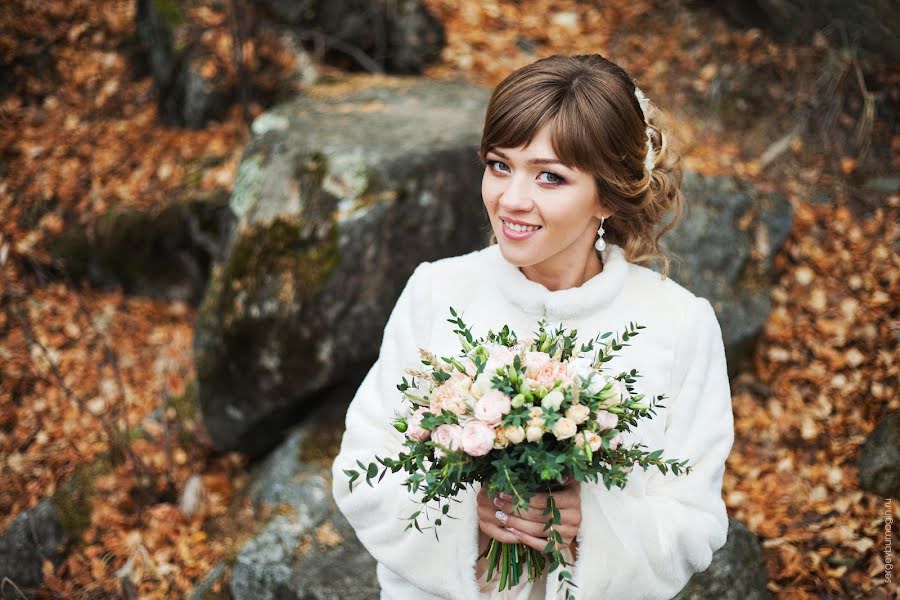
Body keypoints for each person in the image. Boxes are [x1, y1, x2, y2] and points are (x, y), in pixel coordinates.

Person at [331, 54, 734, 600]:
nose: (511, 199)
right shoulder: (437, 292)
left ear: (609, 195)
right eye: (500, 165)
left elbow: (694, 521)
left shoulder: (681, 325)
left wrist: (588, 523)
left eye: (550, 176)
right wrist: (467, 518)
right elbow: (364, 471)